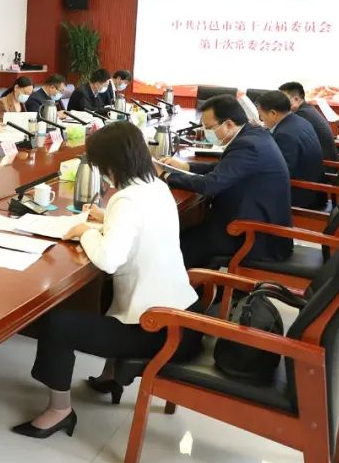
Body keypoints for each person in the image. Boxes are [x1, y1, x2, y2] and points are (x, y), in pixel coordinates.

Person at [12, 122, 200, 439]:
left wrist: (85, 231)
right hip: (183, 319)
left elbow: (109, 259)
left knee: (56, 324)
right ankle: (111, 375)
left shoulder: (126, 200)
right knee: (109, 292)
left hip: (157, 330)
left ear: (112, 166)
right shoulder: (156, 187)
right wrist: (106, 219)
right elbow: (140, 232)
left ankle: (59, 411)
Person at [159, 95, 292, 268]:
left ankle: (189, 282)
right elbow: (223, 168)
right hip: (250, 219)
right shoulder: (253, 134)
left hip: (254, 235)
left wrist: (166, 176)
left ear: (228, 124)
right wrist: (186, 166)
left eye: (209, 128)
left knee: (178, 243)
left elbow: (210, 185)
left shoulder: (248, 145)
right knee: (187, 231)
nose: (206, 132)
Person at [256, 90, 327, 210]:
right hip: (313, 191)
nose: (261, 120)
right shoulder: (299, 121)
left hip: (301, 197)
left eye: (261, 116)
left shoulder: (285, 134)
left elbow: (280, 173)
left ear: (273, 113)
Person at [278, 81, 338, 161]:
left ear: (296, 99)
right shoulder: (307, 109)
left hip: (324, 164)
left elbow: (285, 137)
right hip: (321, 160)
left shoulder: (302, 114)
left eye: (282, 99)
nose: (279, 103)